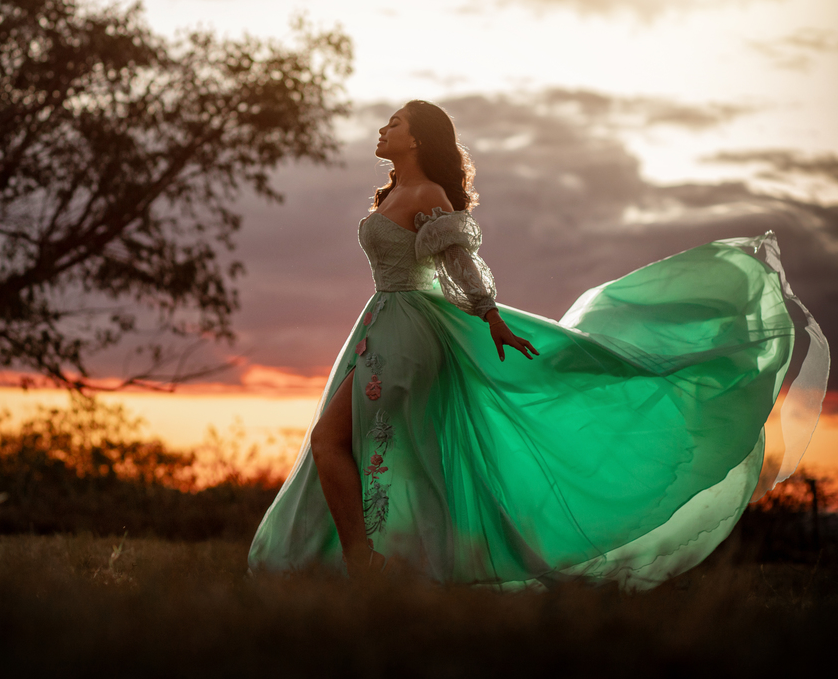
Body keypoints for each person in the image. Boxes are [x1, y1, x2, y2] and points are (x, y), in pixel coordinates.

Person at [247, 100, 829, 589]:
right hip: (385, 324)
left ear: (419, 139)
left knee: (336, 442)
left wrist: (489, 316)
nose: (383, 128)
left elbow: (460, 265)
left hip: (406, 333)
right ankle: (381, 567)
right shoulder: (397, 192)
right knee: (388, 454)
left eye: (395, 122)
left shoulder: (427, 193)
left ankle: (366, 565)